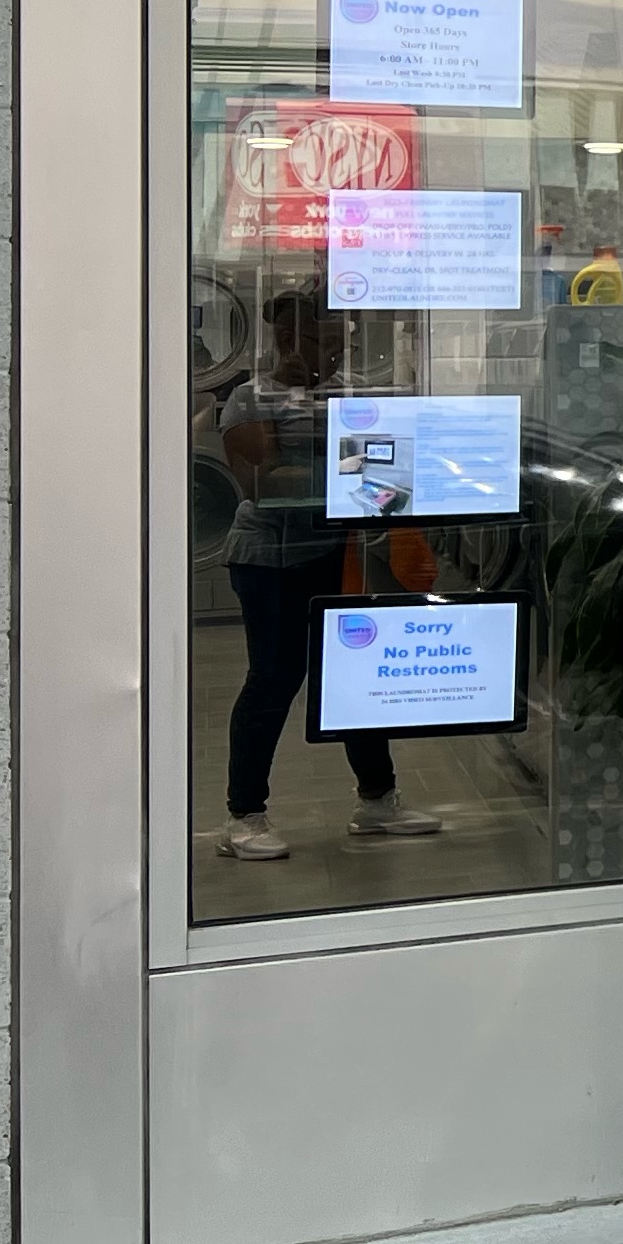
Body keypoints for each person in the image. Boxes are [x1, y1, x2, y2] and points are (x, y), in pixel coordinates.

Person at [214, 285, 439, 859]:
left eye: (341, 347)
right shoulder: (249, 399)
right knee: (274, 679)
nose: (333, 357)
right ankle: (244, 816)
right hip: (270, 561)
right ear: (288, 338)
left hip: (331, 555)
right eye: (323, 344)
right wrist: (348, 475)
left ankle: (377, 799)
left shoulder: (346, 399)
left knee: (352, 676)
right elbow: (261, 485)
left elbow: (387, 483)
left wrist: (346, 477)